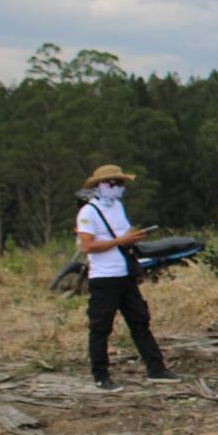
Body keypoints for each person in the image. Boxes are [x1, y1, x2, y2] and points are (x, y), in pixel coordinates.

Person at [74, 164, 180, 390]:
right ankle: (100, 375)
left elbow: (123, 234)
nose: (121, 188)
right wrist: (119, 242)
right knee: (101, 327)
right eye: (117, 183)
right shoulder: (88, 212)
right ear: (104, 185)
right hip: (104, 277)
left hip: (124, 274)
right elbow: (87, 246)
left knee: (140, 321)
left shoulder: (118, 207)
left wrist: (132, 237)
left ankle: (156, 368)